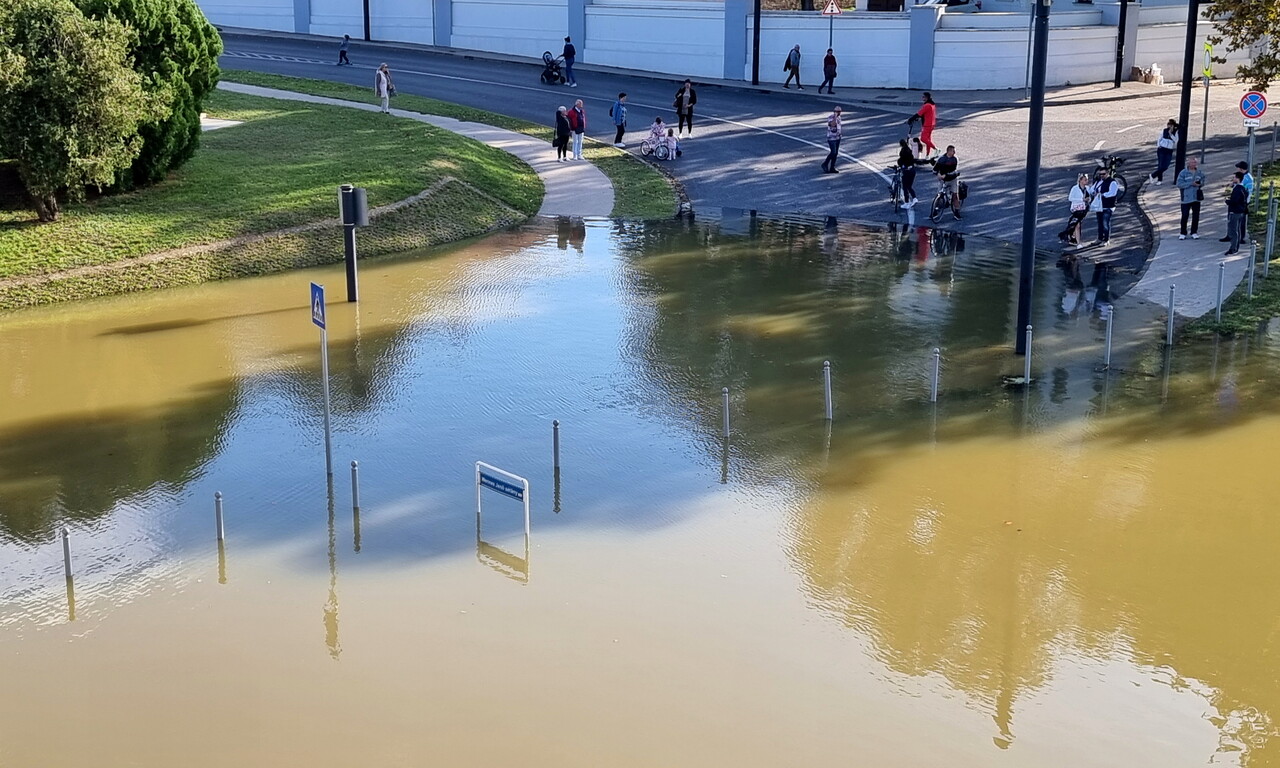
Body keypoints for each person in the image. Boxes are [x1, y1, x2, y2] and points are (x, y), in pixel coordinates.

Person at [1174, 156, 1205, 240]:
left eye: (1195, 162)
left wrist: (1200, 184)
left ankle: (1194, 232)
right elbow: (1179, 184)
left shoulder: (1199, 173)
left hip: (1196, 198)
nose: (1194, 164)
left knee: (1196, 216)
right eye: (1192, 162)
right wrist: (1191, 184)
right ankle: (1183, 232)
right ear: (1188, 163)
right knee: (1185, 216)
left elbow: (1203, 181)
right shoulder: (1183, 173)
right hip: (1186, 198)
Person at [1058, 173, 1091, 247]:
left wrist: (1088, 200)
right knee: (1077, 225)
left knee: (1077, 223)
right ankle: (1078, 242)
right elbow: (1070, 198)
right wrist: (1081, 200)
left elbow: (1090, 197)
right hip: (1076, 209)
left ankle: (1072, 236)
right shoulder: (1075, 188)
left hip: (1084, 209)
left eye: (1087, 179)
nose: (1087, 181)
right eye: (1085, 179)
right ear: (1080, 180)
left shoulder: (1088, 188)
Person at [1090, 169, 1119, 245]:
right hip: (1099, 206)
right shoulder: (1098, 181)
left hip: (1108, 206)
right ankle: (1100, 238)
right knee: (1100, 223)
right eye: (1100, 174)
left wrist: (1102, 194)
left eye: (1103, 174)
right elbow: (1092, 189)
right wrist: (1094, 193)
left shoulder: (1112, 182)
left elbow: (1112, 193)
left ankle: (1106, 240)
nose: (1101, 176)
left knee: (1105, 223)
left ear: (1108, 173)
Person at [933, 145, 960, 218]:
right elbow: (935, 169)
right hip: (943, 179)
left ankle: (957, 212)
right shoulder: (941, 159)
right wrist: (938, 174)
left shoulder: (954, 160)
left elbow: (952, 171)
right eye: (953, 151)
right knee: (938, 194)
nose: (954, 152)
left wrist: (945, 175)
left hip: (952, 179)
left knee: (954, 195)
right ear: (949, 151)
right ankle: (935, 211)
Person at [1148, 119, 1178, 184]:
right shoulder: (1164, 131)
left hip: (1169, 150)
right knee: (1160, 165)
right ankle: (1159, 180)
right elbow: (1159, 138)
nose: (1169, 126)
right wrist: (1159, 146)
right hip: (1162, 149)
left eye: (1171, 125)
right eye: (1168, 125)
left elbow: (1176, 141)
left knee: (1165, 166)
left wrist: (1171, 135)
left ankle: (1153, 175)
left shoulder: (1175, 132)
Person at [1226, 171, 1248, 256]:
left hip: (1235, 211)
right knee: (1237, 230)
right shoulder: (1243, 188)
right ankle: (1236, 247)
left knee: (1233, 230)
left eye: (1235, 177)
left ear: (1238, 179)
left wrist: (1228, 201)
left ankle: (1233, 248)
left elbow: (1235, 201)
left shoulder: (1237, 189)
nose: (1233, 179)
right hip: (1241, 211)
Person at [896, 139, 917, 208]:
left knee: (905, 186)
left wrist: (901, 166)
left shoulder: (903, 152)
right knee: (909, 186)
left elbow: (901, 161)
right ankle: (914, 198)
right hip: (912, 170)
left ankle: (907, 202)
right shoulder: (909, 151)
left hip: (907, 171)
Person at [821, 106, 842, 174]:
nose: (839, 113)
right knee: (833, 152)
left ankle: (832, 167)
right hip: (831, 138)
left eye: (839, 111)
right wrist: (835, 117)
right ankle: (825, 164)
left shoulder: (839, 118)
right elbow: (832, 124)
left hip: (837, 137)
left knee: (835, 153)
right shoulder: (831, 117)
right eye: (837, 111)